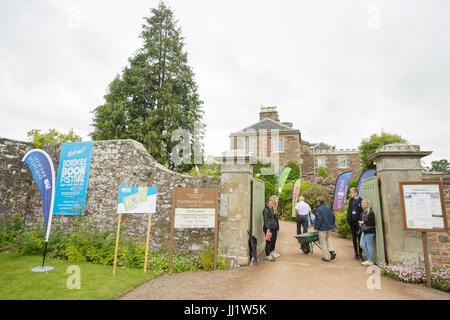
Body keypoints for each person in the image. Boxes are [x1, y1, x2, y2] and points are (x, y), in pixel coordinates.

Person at [314, 196, 336, 262]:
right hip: (329, 227)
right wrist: (332, 224)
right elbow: (333, 216)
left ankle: (326, 257)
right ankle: (332, 251)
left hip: (322, 228)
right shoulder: (328, 208)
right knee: (326, 239)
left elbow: (319, 219)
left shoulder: (319, 209)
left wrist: (317, 227)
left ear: (318, 202)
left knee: (322, 242)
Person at [347, 187, 363, 260]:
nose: (351, 194)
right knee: (354, 237)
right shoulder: (351, 200)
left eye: (352, 192)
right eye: (350, 192)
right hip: (352, 222)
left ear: (356, 193)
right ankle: (356, 253)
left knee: (360, 237)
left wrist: (360, 220)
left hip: (358, 222)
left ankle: (360, 254)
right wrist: (348, 218)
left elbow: (362, 211)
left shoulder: (361, 200)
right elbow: (349, 210)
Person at [359, 199, 376, 266]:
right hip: (364, 231)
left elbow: (372, 223)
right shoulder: (363, 212)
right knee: (362, 245)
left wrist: (364, 222)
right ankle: (369, 259)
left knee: (369, 245)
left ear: (368, 204)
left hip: (370, 231)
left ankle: (370, 260)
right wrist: (360, 223)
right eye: (362, 203)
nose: (363, 204)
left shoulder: (370, 212)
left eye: (365, 203)